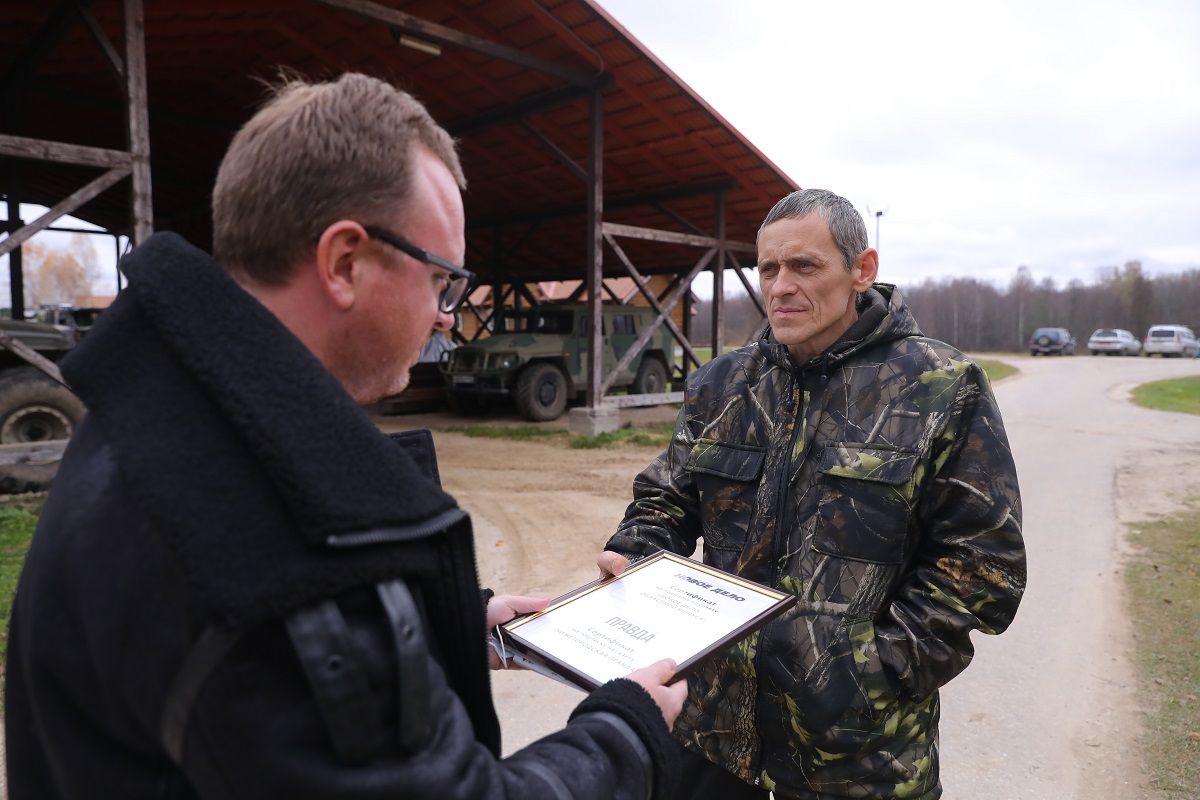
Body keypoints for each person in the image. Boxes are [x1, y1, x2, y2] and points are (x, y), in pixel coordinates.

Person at [6, 72, 685, 799]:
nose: (446, 317)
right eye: (443, 281)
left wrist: (458, 622)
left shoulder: (157, 412)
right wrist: (627, 729)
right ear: (345, 263)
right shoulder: (276, 557)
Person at [597, 189, 1026, 800]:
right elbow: (666, 497)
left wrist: (872, 673)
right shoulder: (724, 385)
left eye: (805, 265)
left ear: (862, 270)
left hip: (859, 758)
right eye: (768, 269)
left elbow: (986, 563)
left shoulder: (939, 387)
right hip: (712, 738)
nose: (780, 286)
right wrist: (635, 553)